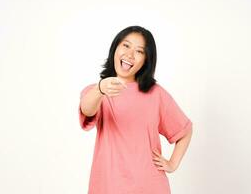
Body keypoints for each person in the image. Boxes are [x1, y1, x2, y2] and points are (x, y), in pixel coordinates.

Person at [78, 26, 193, 194]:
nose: (130, 55)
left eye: (139, 51)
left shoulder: (156, 94)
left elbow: (185, 130)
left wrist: (172, 163)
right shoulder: (98, 91)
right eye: (126, 46)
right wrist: (100, 89)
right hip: (108, 186)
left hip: (150, 186)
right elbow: (87, 109)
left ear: (146, 60)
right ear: (115, 48)